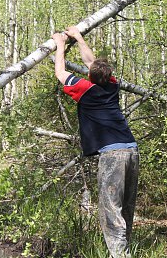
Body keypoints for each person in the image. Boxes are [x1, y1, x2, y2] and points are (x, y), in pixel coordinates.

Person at [52, 26, 139, 258]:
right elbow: (92, 62)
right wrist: (78, 37)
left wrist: (60, 44)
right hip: (131, 149)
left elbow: (60, 73)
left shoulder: (85, 89)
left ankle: (120, 256)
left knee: (111, 210)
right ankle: (121, 252)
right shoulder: (112, 85)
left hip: (112, 155)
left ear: (91, 76)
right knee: (125, 208)